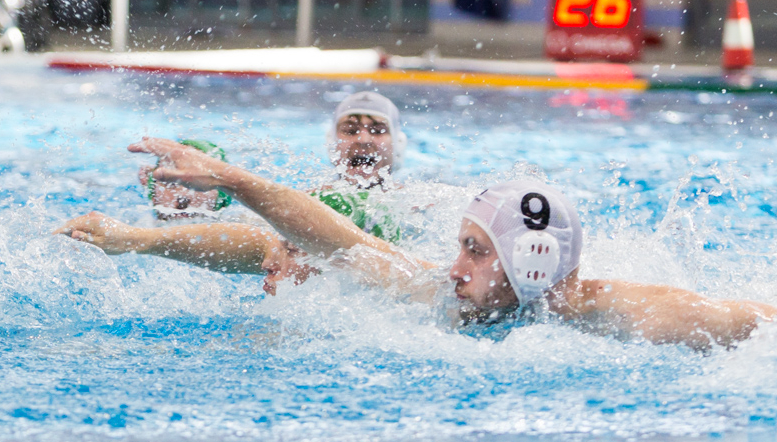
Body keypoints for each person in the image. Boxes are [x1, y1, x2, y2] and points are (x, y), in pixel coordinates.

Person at [130, 136, 775, 350]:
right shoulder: (439, 295)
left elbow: (740, 322)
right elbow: (335, 240)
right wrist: (233, 181)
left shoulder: (605, 311)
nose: (454, 266)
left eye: (476, 249)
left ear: (533, 261)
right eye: (461, 244)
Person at [56, 91, 407, 292]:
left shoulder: (408, 213)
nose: (363, 139)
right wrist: (146, 233)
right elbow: (257, 239)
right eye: (350, 129)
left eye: (377, 130)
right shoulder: (311, 203)